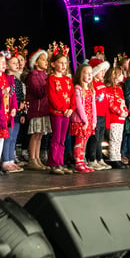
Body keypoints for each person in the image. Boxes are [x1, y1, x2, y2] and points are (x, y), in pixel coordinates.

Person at [46, 43, 73, 175]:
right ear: (53, 64)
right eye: (60, 63)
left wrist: (71, 108)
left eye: (65, 63)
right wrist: (63, 109)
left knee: (62, 138)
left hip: (66, 113)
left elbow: (72, 95)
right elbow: (52, 96)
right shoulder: (51, 79)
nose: (63, 66)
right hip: (57, 113)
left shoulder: (68, 80)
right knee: (56, 138)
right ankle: (53, 163)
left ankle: (60, 162)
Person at [25, 49, 50, 171]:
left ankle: (37, 158)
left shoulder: (45, 75)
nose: (46, 62)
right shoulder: (33, 75)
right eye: (43, 59)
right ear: (35, 62)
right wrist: (48, 84)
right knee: (35, 135)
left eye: (46, 60)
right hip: (36, 109)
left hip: (44, 109)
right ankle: (32, 159)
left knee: (40, 135)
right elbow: (38, 92)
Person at [2, 50, 25, 172]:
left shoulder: (18, 81)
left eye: (18, 63)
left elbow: (21, 98)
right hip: (8, 112)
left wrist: (21, 112)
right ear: (6, 65)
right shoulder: (5, 79)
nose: (17, 65)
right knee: (8, 137)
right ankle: (5, 160)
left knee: (14, 137)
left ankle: (11, 160)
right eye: (13, 63)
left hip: (16, 112)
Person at [70, 63, 96, 173]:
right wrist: (85, 120)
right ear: (81, 75)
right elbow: (79, 105)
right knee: (79, 141)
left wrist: (93, 120)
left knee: (85, 141)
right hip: (81, 120)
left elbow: (94, 106)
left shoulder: (91, 89)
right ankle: (78, 162)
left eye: (91, 73)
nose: (90, 76)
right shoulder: (78, 88)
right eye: (87, 73)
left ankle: (82, 161)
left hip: (89, 120)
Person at [87, 58, 111, 170]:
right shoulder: (92, 85)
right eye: (101, 71)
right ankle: (92, 159)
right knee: (94, 138)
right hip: (94, 116)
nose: (103, 73)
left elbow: (105, 103)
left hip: (102, 116)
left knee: (100, 139)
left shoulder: (102, 85)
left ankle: (99, 157)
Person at [104, 66, 128, 169]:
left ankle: (117, 157)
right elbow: (110, 104)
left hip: (121, 118)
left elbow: (122, 101)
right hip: (114, 118)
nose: (123, 76)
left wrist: (126, 111)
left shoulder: (119, 88)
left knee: (119, 138)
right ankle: (113, 158)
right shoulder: (109, 88)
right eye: (121, 74)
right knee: (114, 138)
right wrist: (119, 112)